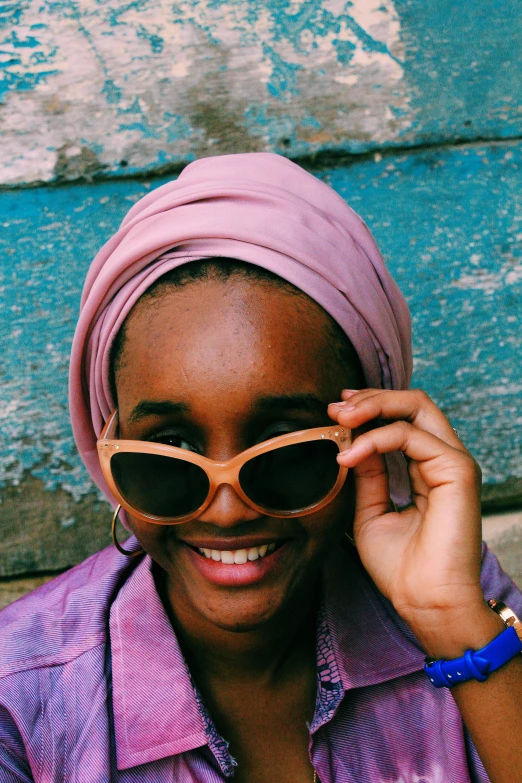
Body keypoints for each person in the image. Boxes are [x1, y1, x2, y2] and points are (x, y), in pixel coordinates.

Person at [0, 152, 521, 783]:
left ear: (371, 437)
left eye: (285, 443)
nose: (226, 509)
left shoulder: (458, 601)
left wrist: (449, 618)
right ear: (108, 451)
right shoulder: (23, 704)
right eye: (170, 449)